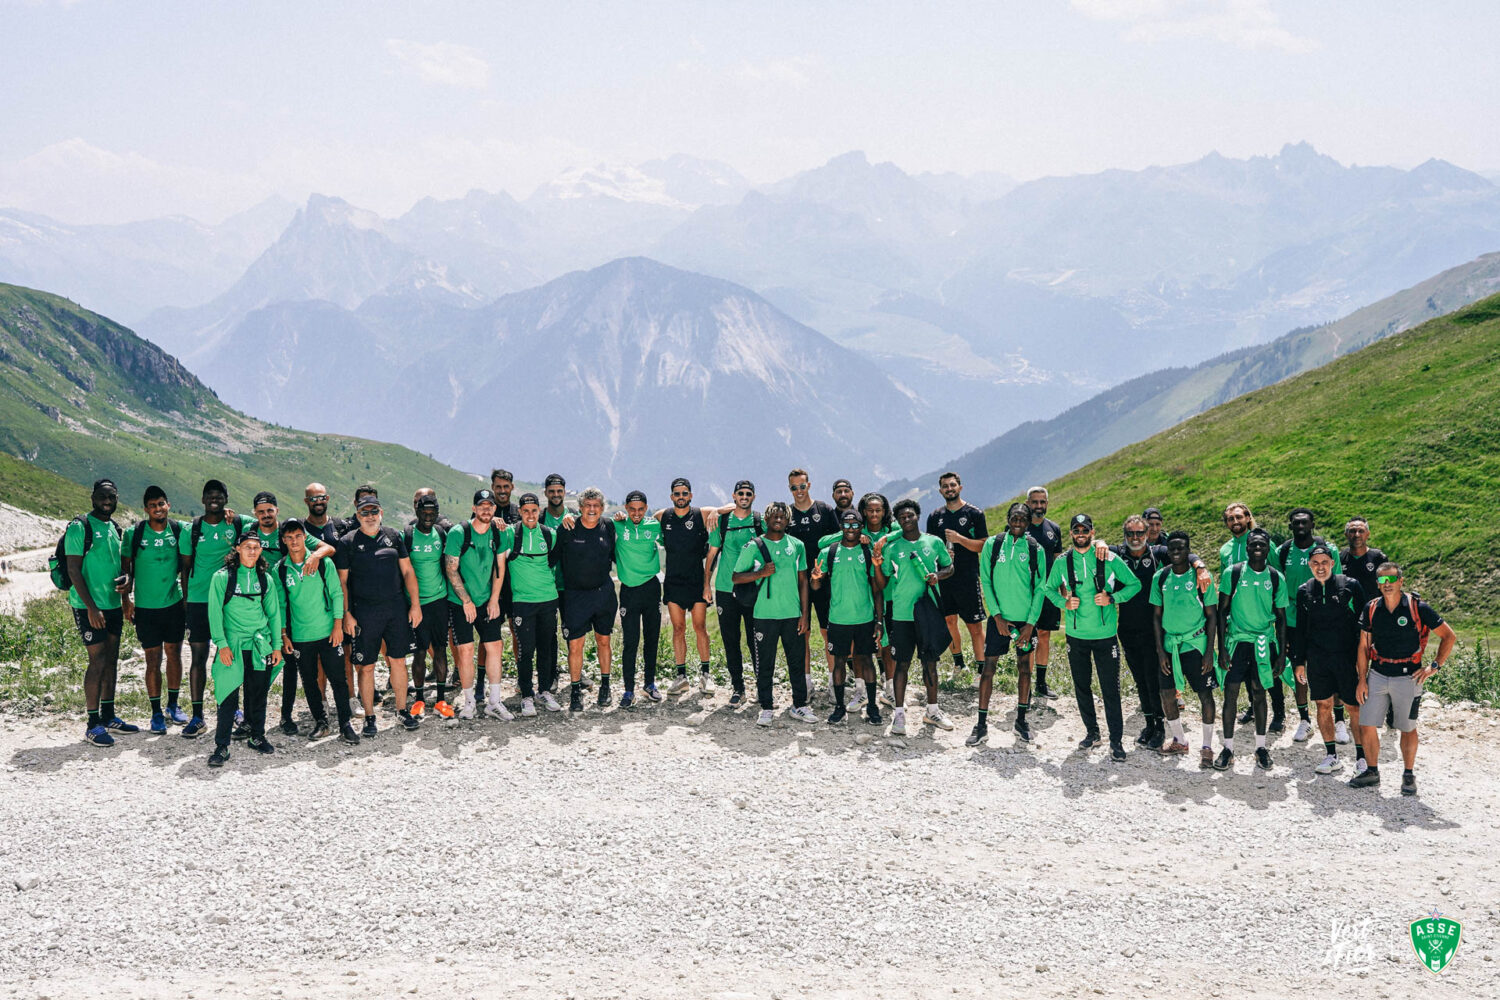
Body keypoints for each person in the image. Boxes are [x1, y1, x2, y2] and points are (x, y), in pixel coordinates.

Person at [1348, 563, 1456, 795]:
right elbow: (1364, 646)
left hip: (1408, 676)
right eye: (1382, 580)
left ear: (1400, 581)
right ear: (1377, 584)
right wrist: (1362, 680)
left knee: (1407, 728)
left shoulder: (1418, 607)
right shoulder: (1372, 608)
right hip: (1378, 673)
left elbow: (1449, 636)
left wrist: (1434, 666)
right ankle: (1372, 771)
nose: (1387, 584)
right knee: (1366, 724)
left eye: (1392, 579)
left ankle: (1408, 775)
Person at [1042, 513, 1140, 762]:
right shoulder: (1063, 562)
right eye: (1076, 530)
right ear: (1071, 534)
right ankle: (1092, 733)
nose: (1081, 534)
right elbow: (1048, 588)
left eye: (1085, 530)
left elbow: (1134, 585)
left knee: (1110, 689)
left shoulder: (1108, 558)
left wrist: (1113, 598)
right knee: (1081, 686)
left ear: (1092, 533)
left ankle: (1116, 741)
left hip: (1105, 636)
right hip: (1076, 636)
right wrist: (1064, 603)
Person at [335, 494, 423, 736]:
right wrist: (346, 614)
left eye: (374, 511)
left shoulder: (393, 536)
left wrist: (415, 605)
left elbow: (408, 571)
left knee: (398, 661)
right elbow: (342, 582)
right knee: (366, 666)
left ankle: (402, 711)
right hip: (364, 612)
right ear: (358, 515)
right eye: (365, 512)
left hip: (395, 609)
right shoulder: (347, 542)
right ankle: (369, 717)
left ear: (381, 513)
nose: (370, 516)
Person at [179, 480, 257, 739]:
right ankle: (197, 716)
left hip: (229, 600)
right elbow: (185, 568)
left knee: (233, 657)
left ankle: (234, 710)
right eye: (210, 496)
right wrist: (186, 601)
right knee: (198, 657)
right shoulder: (192, 529)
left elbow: (262, 521)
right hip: (200, 600)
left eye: (219, 496)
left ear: (226, 499)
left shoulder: (237, 523)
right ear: (203, 499)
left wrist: (235, 515)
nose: (214, 499)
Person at [206, 527, 283, 767]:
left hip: (259, 644)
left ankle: (257, 736)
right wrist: (221, 644)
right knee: (227, 695)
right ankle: (222, 746)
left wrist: (276, 646)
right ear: (237, 549)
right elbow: (214, 612)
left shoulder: (265, 579)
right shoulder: (222, 577)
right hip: (233, 644)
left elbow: (274, 614)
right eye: (247, 547)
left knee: (258, 693)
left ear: (261, 551)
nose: (252, 551)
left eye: (256, 547)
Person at [275, 518, 356, 744]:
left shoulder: (323, 563)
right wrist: (284, 635)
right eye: (289, 537)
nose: (294, 541)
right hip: (301, 636)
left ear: (305, 537)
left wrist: (338, 626)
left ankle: (345, 724)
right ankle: (321, 722)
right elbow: (281, 605)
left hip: (328, 632)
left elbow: (336, 594)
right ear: (284, 540)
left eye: (298, 536)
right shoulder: (280, 569)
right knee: (310, 681)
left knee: (338, 679)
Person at [730, 502, 811, 727]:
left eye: (782, 516)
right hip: (764, 614)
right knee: (765, 664)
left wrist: (805, 615)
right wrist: (760, 573)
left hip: (792, 613)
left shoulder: (797, 545)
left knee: (796, 662)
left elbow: (803, 581)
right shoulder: (754, 546)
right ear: (766, 520)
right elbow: (736, 577)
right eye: (774, 516)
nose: (778, 519)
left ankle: (800, 705)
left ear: (788, 521)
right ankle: (766, 707)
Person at [65, 479, 134, 746]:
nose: (107, 501)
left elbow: (119, 567)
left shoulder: (114, 527)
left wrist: (126, 590)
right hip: (88, 606)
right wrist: (91, 608)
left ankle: (109, 715)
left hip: (113, 604)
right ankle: (93, 724)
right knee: (97, 661)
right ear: (93, 497)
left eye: (111, 497)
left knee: (112, 660)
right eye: (102, 496)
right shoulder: (79, 526)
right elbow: (73, 569)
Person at [971, 503, 1045, 746]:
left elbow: (1040, 588)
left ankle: (1021, 721)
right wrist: (997, 616)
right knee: (988, 669)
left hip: (1025, 623)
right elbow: (986, 581)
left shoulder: (1035, 549)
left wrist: (1030, 624)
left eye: (1023, 519)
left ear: (1029, 522)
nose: (1018, 523)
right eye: (1014, 518)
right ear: (1008, 518)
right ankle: (981, 724)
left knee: (1025, 669)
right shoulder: (993, 545)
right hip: (999, 620)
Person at [878, 497, 954, 735]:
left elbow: (949, 567)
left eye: (910, 515)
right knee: (901, 664)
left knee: (930, 663)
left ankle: (932, 711)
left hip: (928, 612)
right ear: (898, 521)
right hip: (901, 613)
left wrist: (937, 576)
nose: (906, 519)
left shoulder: (934, 542)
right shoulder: (892, 548)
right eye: (902, 517)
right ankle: (899, 715)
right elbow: (884, 578)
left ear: (917, 516)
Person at [1215, 528, 1286, 772]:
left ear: (1268, 549)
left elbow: (1281, 618)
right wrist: (1221, 648)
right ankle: (1227, 748)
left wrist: (1281, 655)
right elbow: (1221, 612)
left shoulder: (1275, 577)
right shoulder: (1233, 573)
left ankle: (1261, 748)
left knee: (1259, 692)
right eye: (1253, 544)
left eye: (1261, 545)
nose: (1257, 548)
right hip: (1237, 642)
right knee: (1231, 694)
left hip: (1263, 643)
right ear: (1246, 548)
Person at [1291, 544, 1365, 776]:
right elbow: (1300, 629)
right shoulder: (1304, 590)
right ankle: (1331, 756)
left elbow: (1365, 625)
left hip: (1346, 657)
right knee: (1323, 705)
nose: (1320, 567)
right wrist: (1299, 662)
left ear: (1333, 563)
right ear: (1309, 565)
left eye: (1324, 562)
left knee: (1353, 707)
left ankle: (1362, 758)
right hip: (1318, 658)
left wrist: (1363, 658)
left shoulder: (1350, 585)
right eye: (1315, 563)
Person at [122, 485, 187, 734]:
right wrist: (126, 601)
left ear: (168, 505)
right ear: (146, 509)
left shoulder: (179, 530)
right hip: (146, 608)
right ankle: (156, 712)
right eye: (152, 505)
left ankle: (173, 705)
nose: (158, 508)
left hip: (173, 604)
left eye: (161, 503)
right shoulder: (135, 533)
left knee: (174, 654)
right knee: (152, 660)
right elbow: (125, 571)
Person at [1150, 531, 1219, 766]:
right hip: (1170, 646)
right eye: (1172, 549)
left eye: (1181, 548)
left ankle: (1207, 746)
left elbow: (1212, 616)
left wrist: (1209, 652)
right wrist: (1160, 651)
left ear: (1189, 551)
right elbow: (1156, 616)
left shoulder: (1201, 578)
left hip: (1195, 645)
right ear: (1167, 551)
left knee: (1205, 695)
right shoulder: (1161, 577)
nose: (1176, 552)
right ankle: (1179, 739)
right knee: (1167, 694)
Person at [812, 508, 884, 727]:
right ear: (840, 527)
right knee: (839, 663)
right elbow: (816, 586)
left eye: (855, 525)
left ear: (861, 527)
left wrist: (879, 620)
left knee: (867, 661)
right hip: (838, 618)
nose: (850, 529)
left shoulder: (867, 552)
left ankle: (872, 706)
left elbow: (877, 589)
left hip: (864, 618)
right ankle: (839, 707)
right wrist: (815, 578)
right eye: (846, 524)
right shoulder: (829, 552)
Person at [445, 489, 507, 720]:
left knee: (495, 646)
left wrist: (494, 600)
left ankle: (495, 701)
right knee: (466, 650)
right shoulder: (459, 532)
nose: (486, 509)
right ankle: (469, 701)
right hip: (460, 602)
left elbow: (499, 569)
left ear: (494, 508)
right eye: (481, 506)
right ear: (474, 508)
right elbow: (451, 569)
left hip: (486, 599)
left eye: (490, 506)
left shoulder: (498, 533)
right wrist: (466, 601)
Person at [498, 493, 562, 714]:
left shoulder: (549, 534)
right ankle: (526, 695)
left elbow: (554, 560)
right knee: (526, 650)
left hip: (548, 599)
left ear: (539, 511)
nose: (530, 515)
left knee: (546, 648)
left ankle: (544, 691)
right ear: (520, 512)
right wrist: (496, 521)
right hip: (522, 602)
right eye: (526, 511)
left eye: (534, 510)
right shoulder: (510, 533)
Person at [655, 478, 719, 695]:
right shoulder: (662, 516)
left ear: (690, 495)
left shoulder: (701, 514)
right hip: (674, 581)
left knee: (700, 627)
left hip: (697, 581)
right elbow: (638, 521)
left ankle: (706, 675)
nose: (681, 497)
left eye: (684, 493)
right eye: (677, 494)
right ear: (671, 496)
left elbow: (731, 506)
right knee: (678, 628)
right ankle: (681, 677)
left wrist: (716, 511)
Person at [558, 487, 617, 713]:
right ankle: (575, 691)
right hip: (575, 595)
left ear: (602, 508)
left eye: (596, 506)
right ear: (580, 507)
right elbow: (554, 558)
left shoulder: (608, 526)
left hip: (603, 593)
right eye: (588, 505)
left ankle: (605, 686)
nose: (592, 509)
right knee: (575, 645)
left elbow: (615, 554)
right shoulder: (568, 527)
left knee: (604, 641)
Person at [706, 480, 763, 705]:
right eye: (741, 493)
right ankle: (738, 688)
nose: (744, 497)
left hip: (752, 589)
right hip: (725, 588)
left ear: (753, 497)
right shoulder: (722, 521)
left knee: (755, 640)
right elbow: (712, 555)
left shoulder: (759, 521)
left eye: (748, 493)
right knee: (731, 640)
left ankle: (762, 687)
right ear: (734, 496)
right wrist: (706, 585)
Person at [926, 472, 988, 677]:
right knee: (949, 622)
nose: (949, 489)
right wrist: (942, 553)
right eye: (945, 486)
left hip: (967, 577)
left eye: (952, 485)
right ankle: (959, 665)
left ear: (960, 487)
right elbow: (929, 548)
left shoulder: (974, 514)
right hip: (944, 578)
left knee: (974, 625)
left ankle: (982, 671)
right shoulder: (935, 517)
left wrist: (960, 539)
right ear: (940, 491)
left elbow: (983, 545)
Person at [1276, 508, 1329, 740]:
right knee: (1299, 668)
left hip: (1319, 617)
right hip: (1292, 618)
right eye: (1296, 523)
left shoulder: (1326, 549)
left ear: (1312, 524)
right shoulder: (1282, 551)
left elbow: (1336, 581)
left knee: (1326, 667)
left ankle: (1336, 719)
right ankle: (1304, 720)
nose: (1300, 526)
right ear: (1290, 526)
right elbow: (1276, 582)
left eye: (1304, 523)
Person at [785, 468, 839, 682]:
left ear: (809, 485)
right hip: (798, 582)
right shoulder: (787, 514)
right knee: (802, 633)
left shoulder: (824, 510)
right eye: (794, 487)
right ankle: (806, 683)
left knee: (828, 632)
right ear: (790, 489)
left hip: (824, 581)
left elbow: (839, 540)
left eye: (802, 486)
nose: (799, 490)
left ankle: (834, 681)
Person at [405, 494, 453, 718]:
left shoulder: (441, 534)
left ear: (437, 514)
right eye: (424, 513)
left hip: (439, 600)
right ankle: (419, 700)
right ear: (417, 512)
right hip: (416, 603)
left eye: (432, 513)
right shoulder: (407, 535)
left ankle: (441, 699)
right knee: (419, 651)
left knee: (440, 649)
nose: (427, 517)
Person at [614, 491, 663, 708]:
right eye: (632, 509)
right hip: (629, 591)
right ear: (626, 508)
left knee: (652, 638)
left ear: (646, 508)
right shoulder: (618, 525)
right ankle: (628, 690)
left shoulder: (654, 526)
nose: (636, 513)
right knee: (630, 642)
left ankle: (649, 684)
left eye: (641, 509)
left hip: (651, 588)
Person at [1025, 486, 1064, 706]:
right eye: (1035, 502)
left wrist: (1063, 590)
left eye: (1042, 502)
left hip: (1049, 591)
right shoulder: (1019, 526)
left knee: (1044, 635)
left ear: (1047, 504)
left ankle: (1041, 683)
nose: (1038, 506)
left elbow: (1059, 561)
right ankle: (1026, 685)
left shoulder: (1054, 528)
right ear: (1028, 503)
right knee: (1027, 637)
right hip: (1026, 592)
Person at [1339, 517, 1387, 605]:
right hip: (1348, 610)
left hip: (1372, 609)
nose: (1357, 535)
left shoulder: (1378, 558)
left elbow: (1387, 587)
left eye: (1361, 531)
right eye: (1352, 531)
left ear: (1367, 534)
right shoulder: (1340, 558)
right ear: (1346, 534)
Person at [1218, 502, 1254, 571]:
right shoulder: (1224, 550)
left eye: (1239, 517)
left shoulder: (1263, 543)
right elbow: (1224, 576)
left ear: (1247, 518)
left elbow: (1275, 571)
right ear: (1227, 523)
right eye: (1231, 519)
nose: (1235, 522)